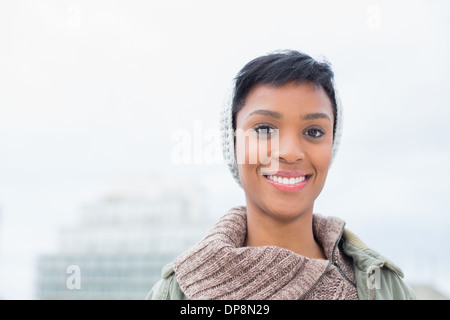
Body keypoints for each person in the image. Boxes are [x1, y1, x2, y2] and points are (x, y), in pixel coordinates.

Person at [146, 49, 416, 300]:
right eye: (264, 129)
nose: (289, 152)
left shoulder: (384, 288)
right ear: (233, 144)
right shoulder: (175, 293)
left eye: (314, 132)